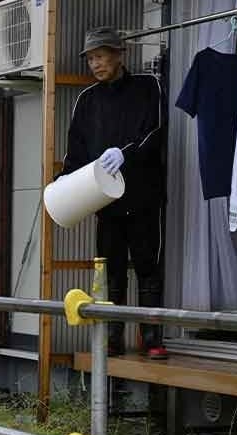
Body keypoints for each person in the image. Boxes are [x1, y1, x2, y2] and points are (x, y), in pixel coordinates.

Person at [61, 26, 168, 359]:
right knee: (110, 270)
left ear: (120, 54)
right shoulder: (87, 100)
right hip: (104, 200)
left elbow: (156, 132)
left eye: (101, 56)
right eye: (91, 58)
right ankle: (113, 337)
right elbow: (76, 151)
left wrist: (128, 152)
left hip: (144, 196)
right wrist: (64, 181)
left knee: (148, 267)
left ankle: (152, 338)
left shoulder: (148, 87)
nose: (95, 64)